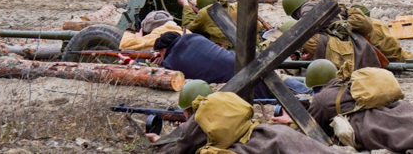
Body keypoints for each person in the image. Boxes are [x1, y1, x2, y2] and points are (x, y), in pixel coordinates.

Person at [283, 0, 413, 73]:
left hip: (372, 32)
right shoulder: (317, 5)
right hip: (366, 31)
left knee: (402, 58)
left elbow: (312, 31)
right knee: (401, 58)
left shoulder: (308, 10)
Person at [146, 80, 341, 154]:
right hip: (274, 135)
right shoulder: (227, 105)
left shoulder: (200, 118)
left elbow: (180, 150)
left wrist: (160, 141)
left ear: (189, 110)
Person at [153, 32, 310, 95]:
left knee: (271, 93)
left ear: (164, 49)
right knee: (279, 83)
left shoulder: (171, 62)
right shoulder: (194, 37)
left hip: (236, 86)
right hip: (247, 65)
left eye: (160, 53)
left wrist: (164, 63)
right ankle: (309, 92)